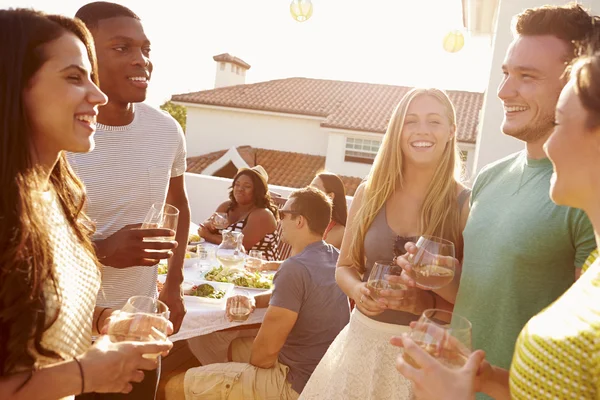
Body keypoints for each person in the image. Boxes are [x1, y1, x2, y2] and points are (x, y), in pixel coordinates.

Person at [401, 5, 595, 390]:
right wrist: (437, 280)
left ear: (575, 84)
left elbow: (584, 347)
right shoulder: (490, 177)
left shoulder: (584, 194)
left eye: (527, 77)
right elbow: (480, 292)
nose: (505, 91)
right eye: (507, 73)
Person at [0, 9, 172, 400]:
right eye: (75, 78)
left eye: (92, 77)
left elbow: (28, 315)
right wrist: (83, 376)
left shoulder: (56, 196)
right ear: (13, 86)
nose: (97, 95)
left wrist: (105, 320)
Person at [300, 88, 471, 400]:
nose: (422, 130)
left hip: (426, 354)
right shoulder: (370, 192)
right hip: (362, 342)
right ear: (397, 131)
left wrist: (425, 302)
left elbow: (470, 297)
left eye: (434, 121)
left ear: (451, 132)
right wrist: (357, 290)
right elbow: (345, 267)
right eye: (411, 121)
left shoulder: (464, 205)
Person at [67, 2, 190, 399]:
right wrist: (102, 249)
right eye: (122, 48)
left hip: (139, 320)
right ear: (84, 57)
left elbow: (180, 205)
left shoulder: (167, 130)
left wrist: (173, 284)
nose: (142, 61)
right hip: (67, 325)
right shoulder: (59, 133)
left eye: (146, 49)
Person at [173, 187, 350, 399]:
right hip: (323, 374)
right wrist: (253, 300)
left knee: (172, 385)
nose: (279, 220)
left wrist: (247, 369)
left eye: (283, 214)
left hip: (294, 383)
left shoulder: (294, 268)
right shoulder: (334, 257)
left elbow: (263, 357)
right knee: (218, 341)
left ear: (300, 221)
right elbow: (301, 294)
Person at [199, 165, 279, 260]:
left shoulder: (262, 214)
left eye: (247, 186)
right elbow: (203, 228)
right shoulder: (227, 206)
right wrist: (211, 224)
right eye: (237, 184)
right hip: (228, 260)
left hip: (257, 267)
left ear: (258, 191)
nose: (240, 189)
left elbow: (240, 245)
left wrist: (208, 236)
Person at [310, 171, 347, 249]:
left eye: (314, 188)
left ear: (330, 196)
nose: (308, 191)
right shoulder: (309, 221)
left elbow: (312, 258)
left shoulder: (339, 232)